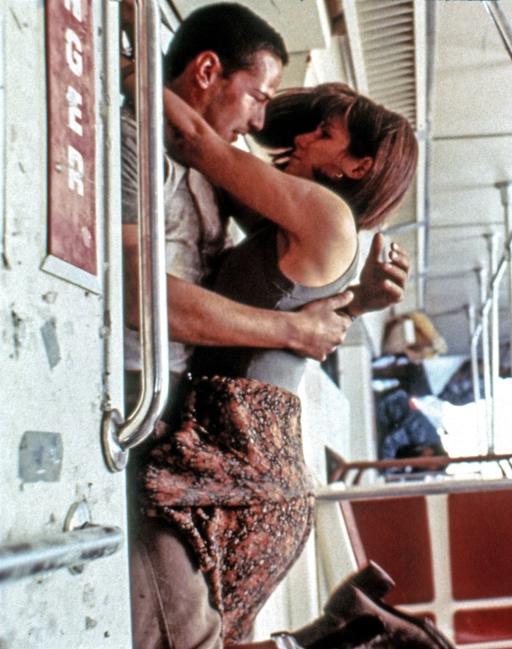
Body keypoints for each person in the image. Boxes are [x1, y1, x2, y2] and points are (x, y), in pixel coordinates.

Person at [121, 5, 451, 649]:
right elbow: (294, 308)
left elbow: (197, 137)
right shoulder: (293, 219)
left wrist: (127, 58)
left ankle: (345, 638)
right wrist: (352, 308)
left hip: (237, 461)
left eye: (322, 134)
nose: (286, 134)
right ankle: (335, 633)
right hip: (237, 459)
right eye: (262, 100)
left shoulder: (329, 218)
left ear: (357, 166)